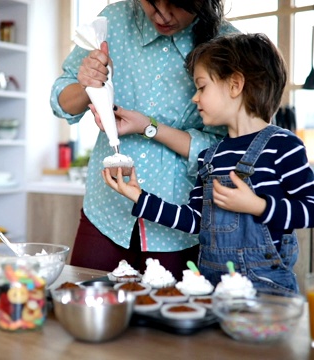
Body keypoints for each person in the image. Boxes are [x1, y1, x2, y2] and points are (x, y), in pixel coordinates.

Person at [102, 33, 314, 293]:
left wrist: (258, 206)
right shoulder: (210, 156)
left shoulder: (284, 146)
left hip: (268, 293)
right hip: (213, 290)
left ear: (235, 85)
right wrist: (140, 197)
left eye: (201, 87)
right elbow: (196, 220)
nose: (194, 98)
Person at [49, 0, 240, 278]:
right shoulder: (114, 19)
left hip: (179, 224)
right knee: (86, 304)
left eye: (176, 3)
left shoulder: (228, 45)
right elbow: (61, 102)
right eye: (152, 1)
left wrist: (149, 127)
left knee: (168, 316)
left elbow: (227, 151)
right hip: (106, 213)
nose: (162, 14)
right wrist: (86, 84)